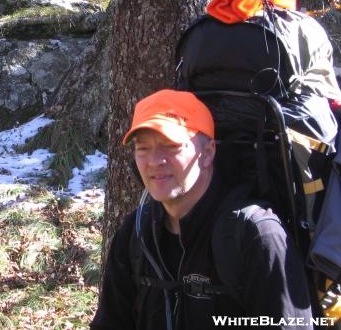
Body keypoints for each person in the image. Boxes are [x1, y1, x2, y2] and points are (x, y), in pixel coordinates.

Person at [90, 89, 314, 330]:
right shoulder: (135, 233)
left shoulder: (256, 237)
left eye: (171, 145)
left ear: (207, 153)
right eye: (142, 148)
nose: (154, 160)